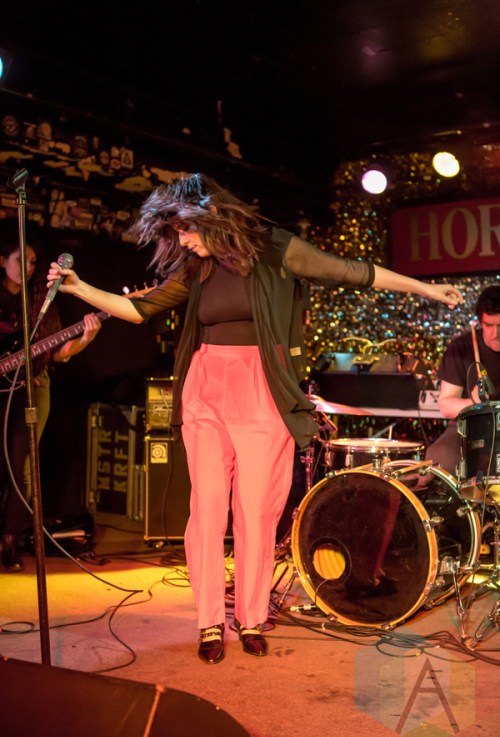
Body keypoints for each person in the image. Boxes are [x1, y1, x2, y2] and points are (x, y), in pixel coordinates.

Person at [46, 172, 463, 664]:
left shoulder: (276, 249)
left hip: (262, 389)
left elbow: (352, 271)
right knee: (206, 509)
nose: (183, 240)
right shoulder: (195, 267)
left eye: (185, 229)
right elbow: (139, 309)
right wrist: (80, 288)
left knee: (255, 511)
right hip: (205, 388)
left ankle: (249, 617)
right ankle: (208, 622)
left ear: (210, 214)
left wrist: (426, 290)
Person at [0, 231, 102, 572]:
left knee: (22, 468)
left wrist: (86, 339)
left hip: (31, 390)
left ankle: (10, 541)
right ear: (2, 261)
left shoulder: (40, 300)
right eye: (21, 260)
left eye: (32, 262)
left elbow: (58, 352)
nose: (28, 268)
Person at [425, 284, 500, 475]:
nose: (495, 334)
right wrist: (473, 401)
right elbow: (446, 405)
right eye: (488, 325)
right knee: (440, 456)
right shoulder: (460, 349)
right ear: (480, 322)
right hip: (469, 426)